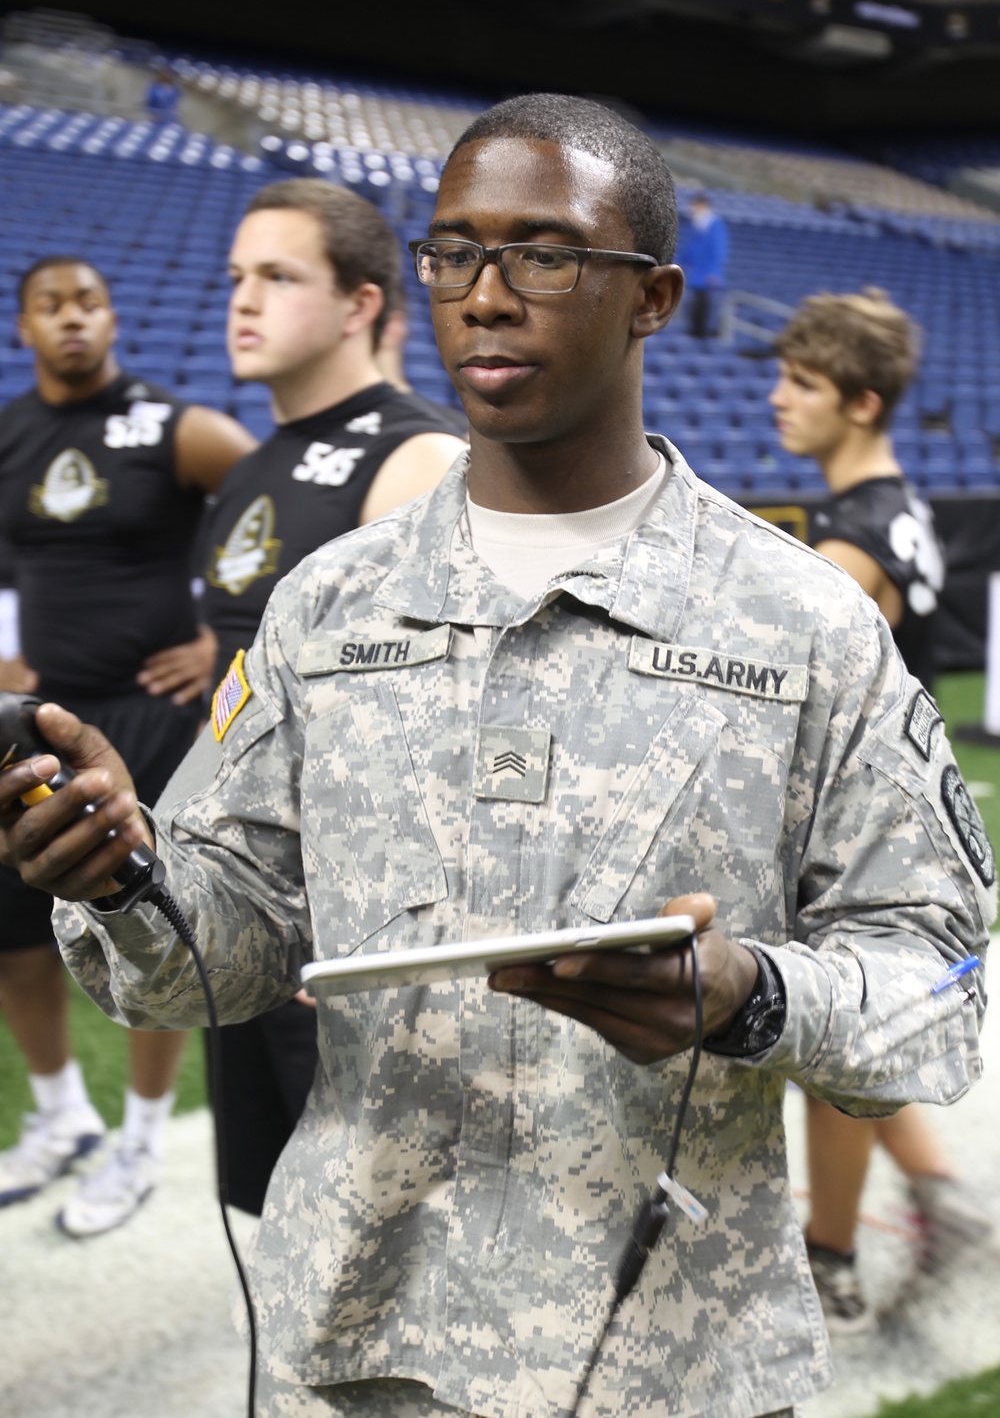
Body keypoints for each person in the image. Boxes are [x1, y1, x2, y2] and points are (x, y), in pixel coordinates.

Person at [0, 96, 991, 1418]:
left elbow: (944, 980)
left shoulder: (806, 623)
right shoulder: (328, 607)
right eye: (455, 253)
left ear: (654, 298)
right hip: (353, 1342)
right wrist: (125, 876)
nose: (486, 293)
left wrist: (752, 994)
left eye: (545, 253)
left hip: (669, 1364)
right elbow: (216, 957)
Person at [199, 177, 467, 1214]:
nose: (243, 300)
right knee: (265, 1217)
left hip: (349, 940)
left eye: (278, 275)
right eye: (236, 277)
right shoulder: (249, 461)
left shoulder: (416, 457)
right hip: (238, 906)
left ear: (361, 303)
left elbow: (437, 733)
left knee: (375, 1232)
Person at [0, 255, 256, 1236]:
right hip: (39, 725)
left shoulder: (172, 425)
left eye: (90, 303)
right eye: (51, 307)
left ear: (114, 320)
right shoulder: (12, 437)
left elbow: (275, 515)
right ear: (25, 328)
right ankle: (63, 1115)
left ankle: (142, 1137)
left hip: (147, 720)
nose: (72, 320)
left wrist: (214, 638)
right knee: (14, 928)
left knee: (149, 932)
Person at [770, 287, 995, 1334]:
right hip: (884, 821)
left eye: (801, 385)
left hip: (860, 837)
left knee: (827, 1051)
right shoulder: (889, 505)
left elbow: (787, 698)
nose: (778, 400)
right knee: (843, 1050)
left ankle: (828, 1261)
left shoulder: (853, 544)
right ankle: (942, 1207)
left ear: (859, 403)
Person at [677, 191, 728, 338]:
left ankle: (702, 333)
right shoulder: (696, 225)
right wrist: (680, 261)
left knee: (705, 305)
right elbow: (691, 249)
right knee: (695, 304)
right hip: (697, 273)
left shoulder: (715, 224)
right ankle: (695, 331)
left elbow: (719, 250)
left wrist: (713, 272)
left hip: (707, 275)